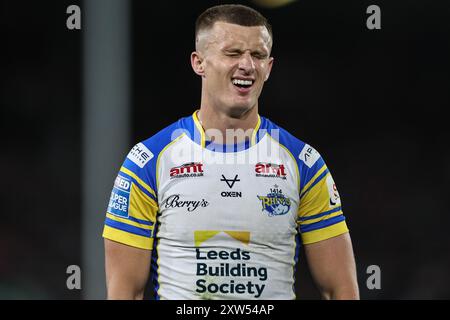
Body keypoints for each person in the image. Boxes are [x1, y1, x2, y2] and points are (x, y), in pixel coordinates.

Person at [103, 4, 359, 300]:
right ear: (199, 63)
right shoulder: (149, 161)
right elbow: (125, 291)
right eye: (233, 53)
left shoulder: (303, 163)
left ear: (269, 67)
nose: (248, 65)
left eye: (258, 55)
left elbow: (340, 289)